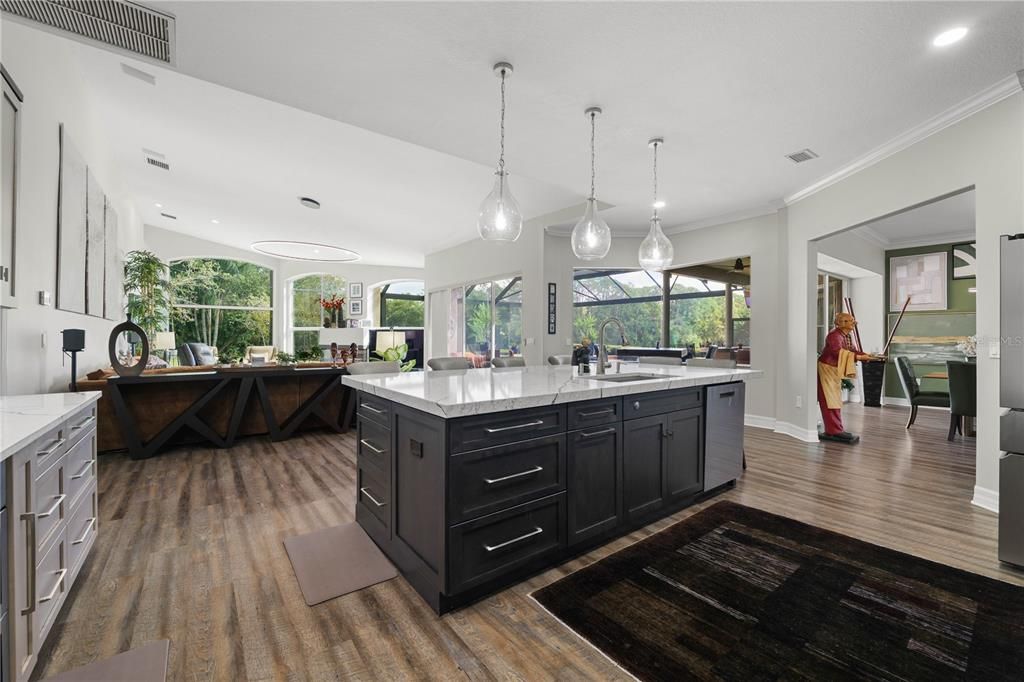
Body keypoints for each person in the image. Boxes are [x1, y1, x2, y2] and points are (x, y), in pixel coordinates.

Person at [817, 312, 877, 443]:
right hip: (827, 369)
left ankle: (836, 429)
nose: (853, 323)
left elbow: (851, 351)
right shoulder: (834, 336)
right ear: (840, 323)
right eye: (849, 320)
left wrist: (867, 355)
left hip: (834, 369)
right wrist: (859, 357)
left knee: (834, 400)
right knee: (829, 401)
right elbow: (837, 352)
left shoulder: (846, 336)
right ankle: (833, 431)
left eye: (852, 320)